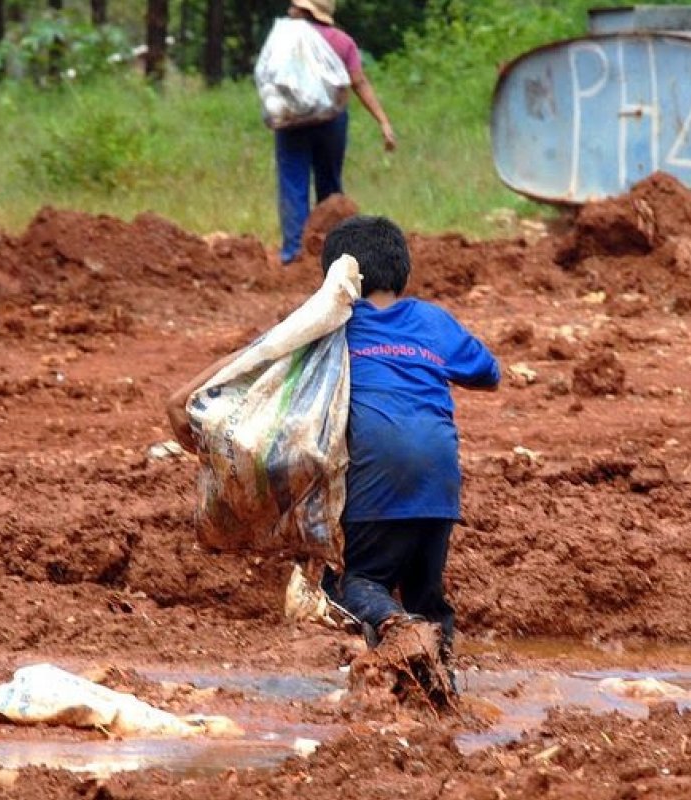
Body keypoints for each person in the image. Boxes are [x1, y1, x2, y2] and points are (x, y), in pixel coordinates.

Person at [166, 215, 500, 695]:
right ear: (402, 271)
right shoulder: (432, 321)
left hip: (374, 481)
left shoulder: (332, 326)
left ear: (335, 280)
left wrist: (187, 395)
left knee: (354, 585)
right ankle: (438, 688)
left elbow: (260, 356)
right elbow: (488, 373)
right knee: (427, 596)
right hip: (439, 485)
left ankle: (399, 633)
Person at [273, 0, 396, 265]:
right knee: (330, 186)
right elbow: (359, 83)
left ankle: (294, 253)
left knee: (293, 184)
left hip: (291, 121)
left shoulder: (285, 38)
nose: (290, 9)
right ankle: (334, 253)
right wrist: (383, 121)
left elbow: (270, 76)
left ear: (305, 10)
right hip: (331, 123)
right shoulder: (342, 41)